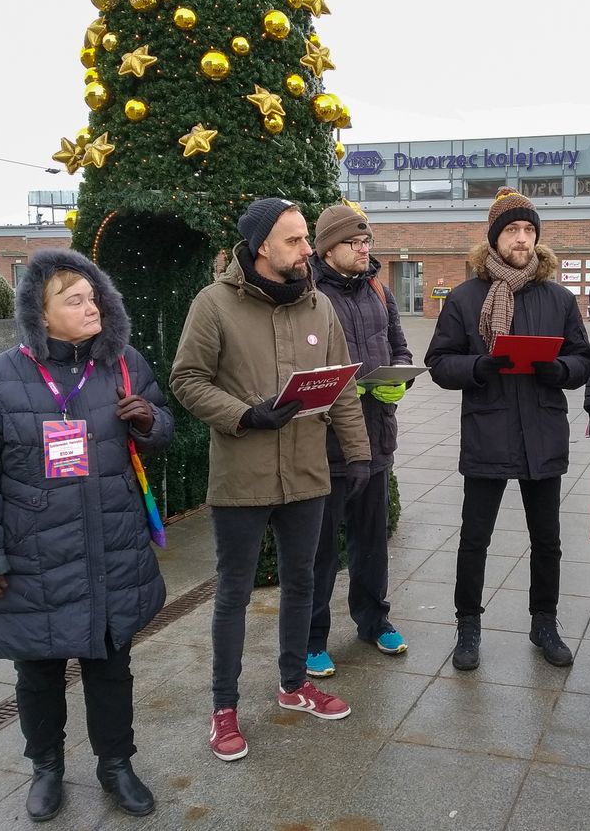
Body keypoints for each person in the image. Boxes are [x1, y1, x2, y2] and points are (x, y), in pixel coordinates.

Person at [0, 248, 174, 820]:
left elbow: (163, 427)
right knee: (38, 671)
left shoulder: (122, 364)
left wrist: (149, 420)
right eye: (74, 299)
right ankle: (46, 767)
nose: (90, 306)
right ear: (39, 314)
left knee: (110, 666)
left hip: (110, 548)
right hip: (35, 556)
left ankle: (116, 764)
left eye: (94, 296)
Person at [171, 198, 371, 762]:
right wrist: (244, 414)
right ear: (262, 247)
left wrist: (357, 455)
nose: (308, 249)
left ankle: (293, 685)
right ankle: (224, 708)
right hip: (243, 475)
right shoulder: (214, 305)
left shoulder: (319, 306)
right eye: (295, 241)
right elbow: (186, 379)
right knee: (233, 593)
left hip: (307, 472)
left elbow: (341, 386)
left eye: (307, 239)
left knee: (303, 582)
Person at [425, 186, 590, 671]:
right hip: (488, 431)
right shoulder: (465, 297)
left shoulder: (558, 297)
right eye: (512, 230)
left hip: (541, 433)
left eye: (529, 230)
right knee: (475, 538)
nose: (522, 239)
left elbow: (583, 357)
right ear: (494, 239)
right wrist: (482, 365)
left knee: (548, 540)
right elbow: (438, 362)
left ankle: (545, 623)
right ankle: (468, 627)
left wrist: (559, 371)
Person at [306, 204, 412, 678]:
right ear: (329, 247)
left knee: (371, 542)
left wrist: (401, 379)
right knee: (320, 549)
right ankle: (312, 639)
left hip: (376, 436)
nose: (364, 249)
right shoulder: (306, 293)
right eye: (355, 242)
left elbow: (401, 345)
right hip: (325, 445)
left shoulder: (378, 289)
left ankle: (374, 620)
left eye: (367, 241)